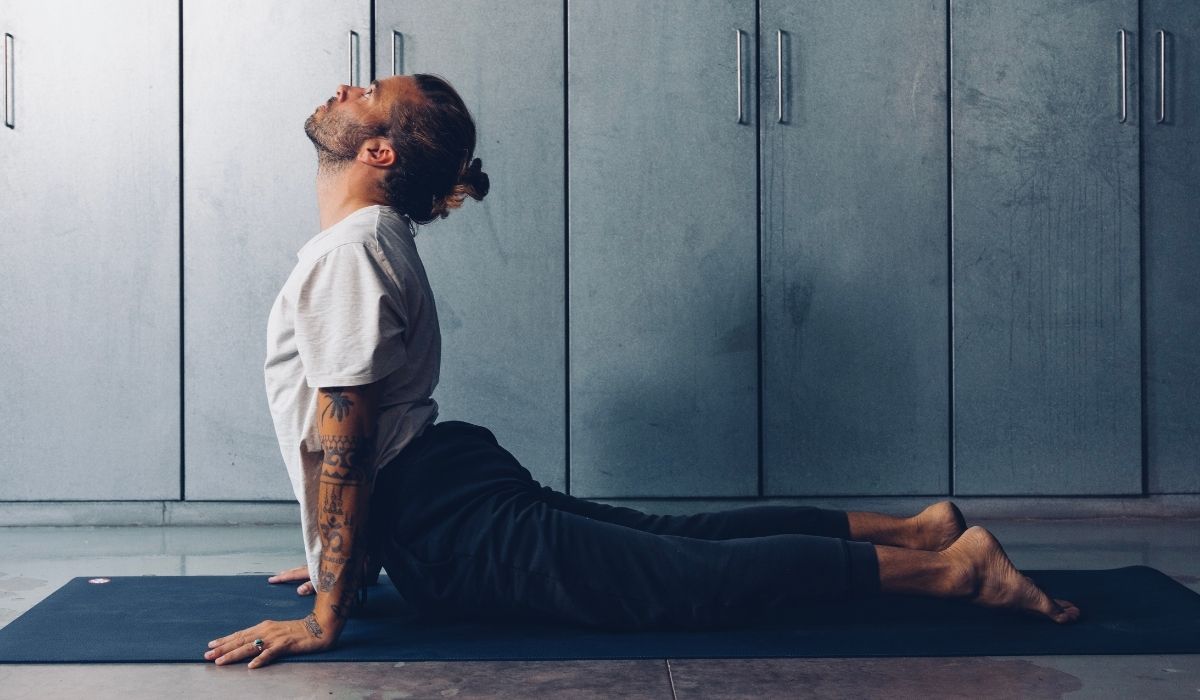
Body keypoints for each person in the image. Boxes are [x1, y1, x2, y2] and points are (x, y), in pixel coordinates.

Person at [203, 73, 1081, 670]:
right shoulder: (362, 244)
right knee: (674, 543)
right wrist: (329, 552)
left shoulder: (348, 252)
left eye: (370, 95)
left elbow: (347, 430)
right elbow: (349, 429)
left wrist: (328, 611)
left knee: (677, 579)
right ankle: (916, 530)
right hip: (439, 483)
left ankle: (951, 570)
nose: (349, 89)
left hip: (439, 511)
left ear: (379, 152)